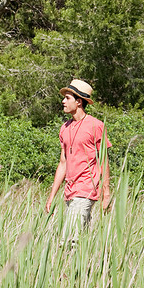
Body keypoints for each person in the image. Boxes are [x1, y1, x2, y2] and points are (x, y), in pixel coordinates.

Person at [45, 79, 112, 244]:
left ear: (79, 102)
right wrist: (52, 195)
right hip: (69, 191)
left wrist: (107, 193)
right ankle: (83, 268)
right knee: (80, 241)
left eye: (67, 98)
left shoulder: (96, 126)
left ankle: (65, 268)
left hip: (86, 189)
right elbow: (63, 163)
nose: (63, 101)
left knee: (68, 240)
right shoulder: (64, 128)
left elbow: (103, 159)